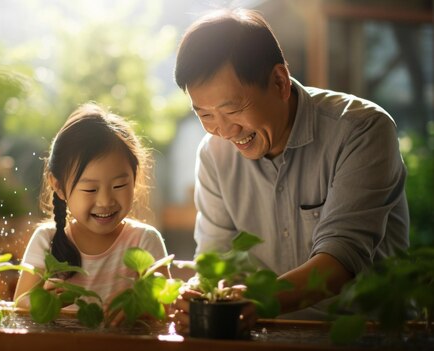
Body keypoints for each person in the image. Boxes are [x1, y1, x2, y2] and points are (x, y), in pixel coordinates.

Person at [172, 8, 410, 327]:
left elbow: (341, 258)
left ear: (279, 82)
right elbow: (216, 262)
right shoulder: (215, 155)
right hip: (266, 333)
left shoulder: (362, 130)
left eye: (233, 110)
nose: (225, 131)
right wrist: (198, 294)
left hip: (365, 334)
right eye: (206, 116)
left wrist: (260, 301)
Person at [14, 102, 170, 316]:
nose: (105, 201)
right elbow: (20, 302)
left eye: (119, 186)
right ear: (58, 186)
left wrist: (138, 306)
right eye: (90, 189)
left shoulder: (144, 241)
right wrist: (44, 301)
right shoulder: (46, 239)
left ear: (135, 179)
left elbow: (165, 306)